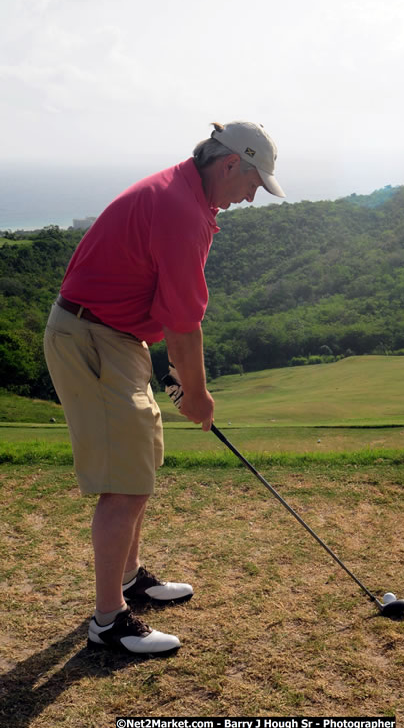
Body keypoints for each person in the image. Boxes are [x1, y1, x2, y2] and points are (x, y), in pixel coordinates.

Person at [44, 121, 285, 655]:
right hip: (92, 338)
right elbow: (182, 322)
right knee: (125, 482)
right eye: (253, 183)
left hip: (115, 338)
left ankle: (130, 579)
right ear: (230, 164)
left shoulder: (185, 193)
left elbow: (162, 304)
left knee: (140, 463)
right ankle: (109, 621)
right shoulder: (180, 209)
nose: (251, 197)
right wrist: (196, 394)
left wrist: (177, 375)